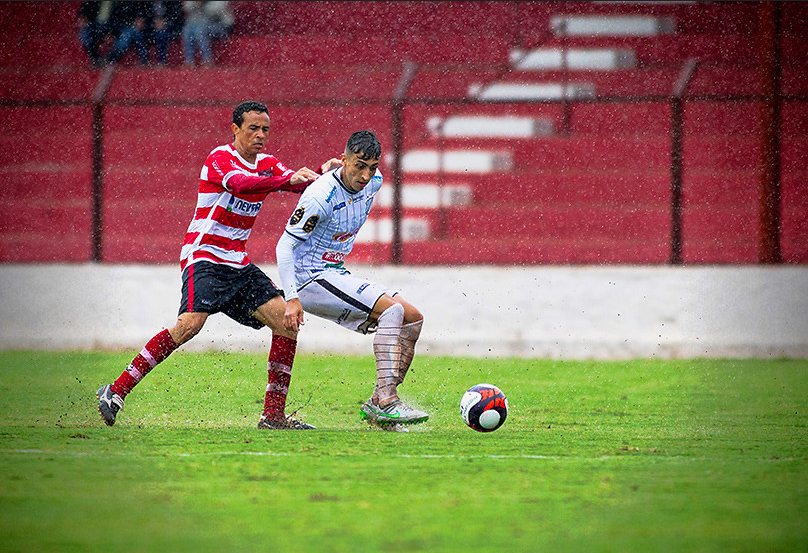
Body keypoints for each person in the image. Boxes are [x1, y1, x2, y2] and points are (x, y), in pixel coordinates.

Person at [96, 101, 342, 430]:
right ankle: (115, 391)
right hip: (205, 256)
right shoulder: (220, 158)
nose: (260, 135)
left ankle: (273, 416)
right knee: (189, 326)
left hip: (237, 264)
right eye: (253, 128)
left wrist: (328, 174)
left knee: (287, 322)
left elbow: (293, 182)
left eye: (265, 129)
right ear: (235, 129)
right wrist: (283, 180)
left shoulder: (267, 164)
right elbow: (241, 184)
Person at [275, 131, 428, 433]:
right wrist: (291, 298)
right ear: (344, 159)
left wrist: (348, 168)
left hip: (335, 273)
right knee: (392, 312)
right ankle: (387, 401)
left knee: (412, 318)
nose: (365, 174)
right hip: (309, 277)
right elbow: (284, 247)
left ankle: (377, 402)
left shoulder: (374, 181)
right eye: (358, 165)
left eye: (371, 166)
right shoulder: (320, 196)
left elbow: (370, 175)